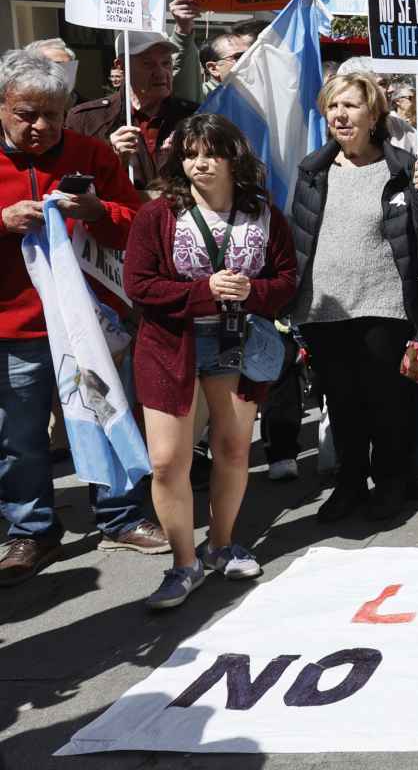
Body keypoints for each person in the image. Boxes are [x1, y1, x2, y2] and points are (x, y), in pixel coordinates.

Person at [0, 51, 167, 586]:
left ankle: (122, 515)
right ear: (2, 106)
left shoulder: (91, 153)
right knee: (19, 435)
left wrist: (97, 212)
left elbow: (138, 225)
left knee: (106, 413)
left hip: (90, 323)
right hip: (15, 324)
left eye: (53, 113)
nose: (42, 126)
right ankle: (30, 529)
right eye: (27, 113)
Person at [123, 115, 298, 609]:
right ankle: (183, 563)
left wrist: (254, 290)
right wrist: (204, 291)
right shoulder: (157, 215)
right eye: (189, 154)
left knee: (234, 448)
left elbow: (286, 278)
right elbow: (139, 285)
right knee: (165, 461)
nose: (199, 163)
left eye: (210, 153)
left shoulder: (263, 214)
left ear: (232, 158)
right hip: (168, 345)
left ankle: (220, 545)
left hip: (235, 343)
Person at [289, 71, 418, 523]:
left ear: (374, 113)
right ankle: (349, 484)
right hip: (324, 308)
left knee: (386, 402)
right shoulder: (312, 170)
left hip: (383, 304)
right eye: (333, 106)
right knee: (341, 401)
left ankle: (391, 483)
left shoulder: (401, 168)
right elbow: (301, 234)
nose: (340, 114)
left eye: (351, 105)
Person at [67, 31, 200, 191]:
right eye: (148, 64)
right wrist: (112, 159)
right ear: (121, 66)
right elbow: (74, 188)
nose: (160, 73)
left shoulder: (193, 117)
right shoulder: (86, 119)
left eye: (166, 63)